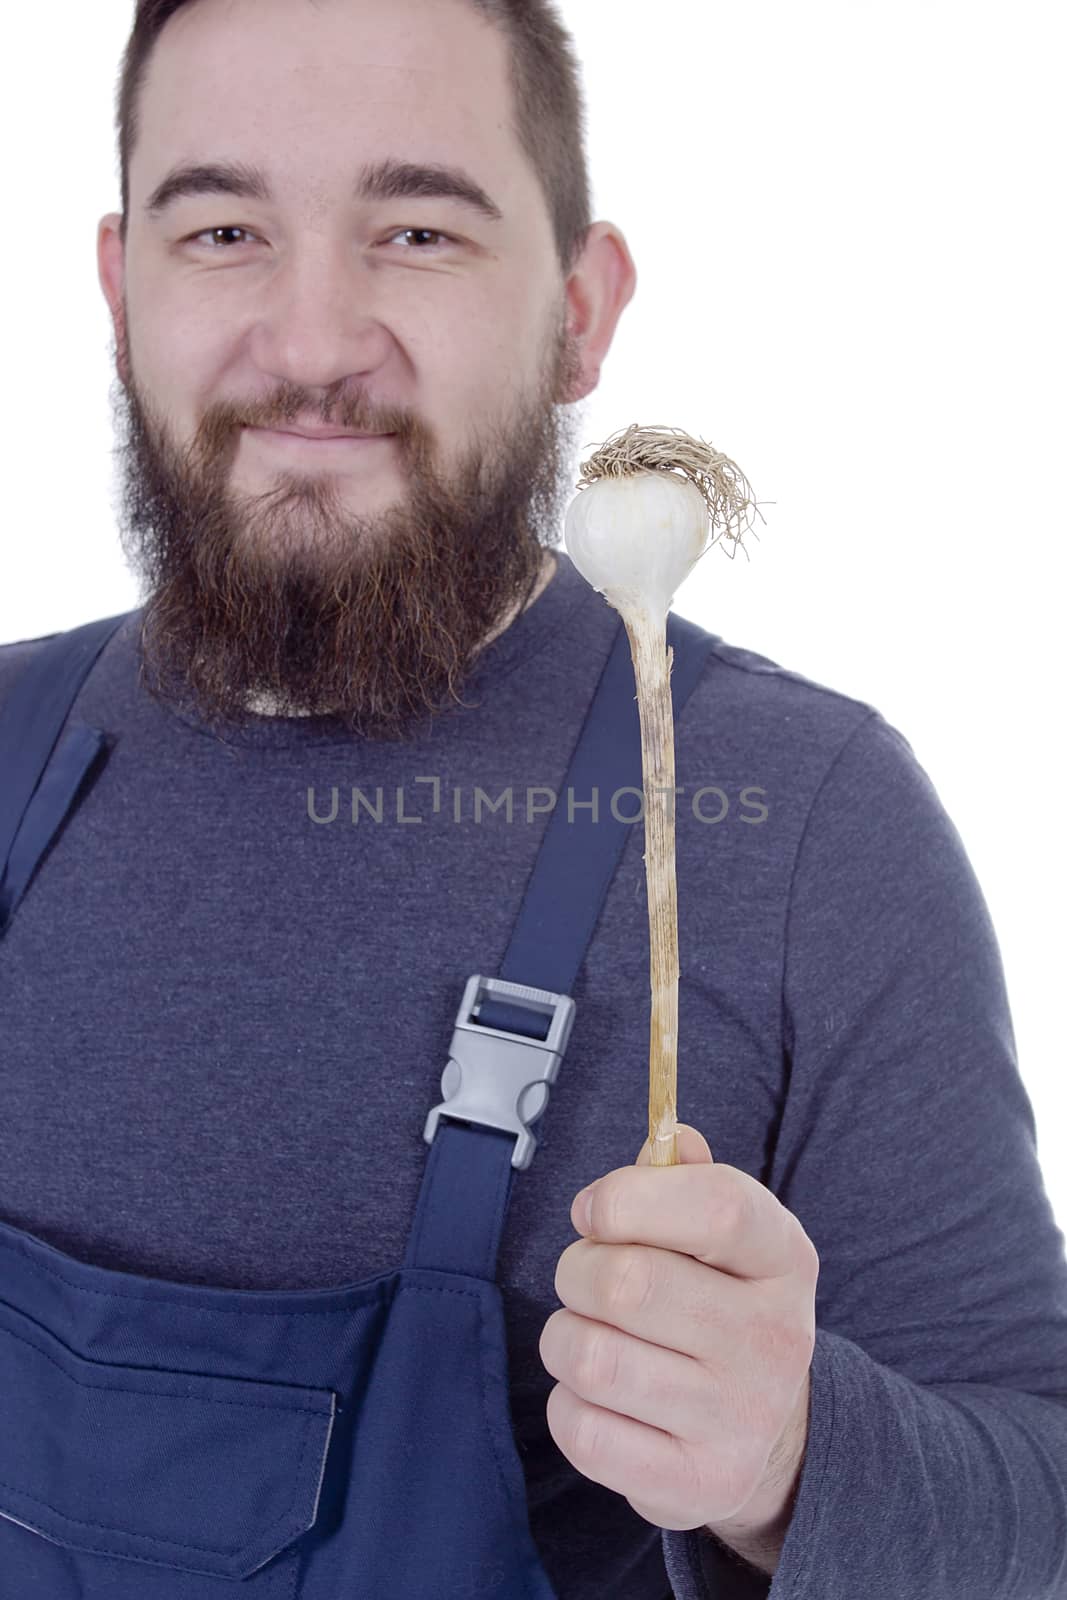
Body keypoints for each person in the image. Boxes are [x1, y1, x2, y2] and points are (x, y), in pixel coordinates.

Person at [1, 1, 1065, 1597]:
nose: (309, 342)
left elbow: (1041, 1498)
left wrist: (789, 1463)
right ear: (118, 286)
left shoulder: (802, 819)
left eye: (416, 229)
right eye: (223, 228)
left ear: (579, 311)